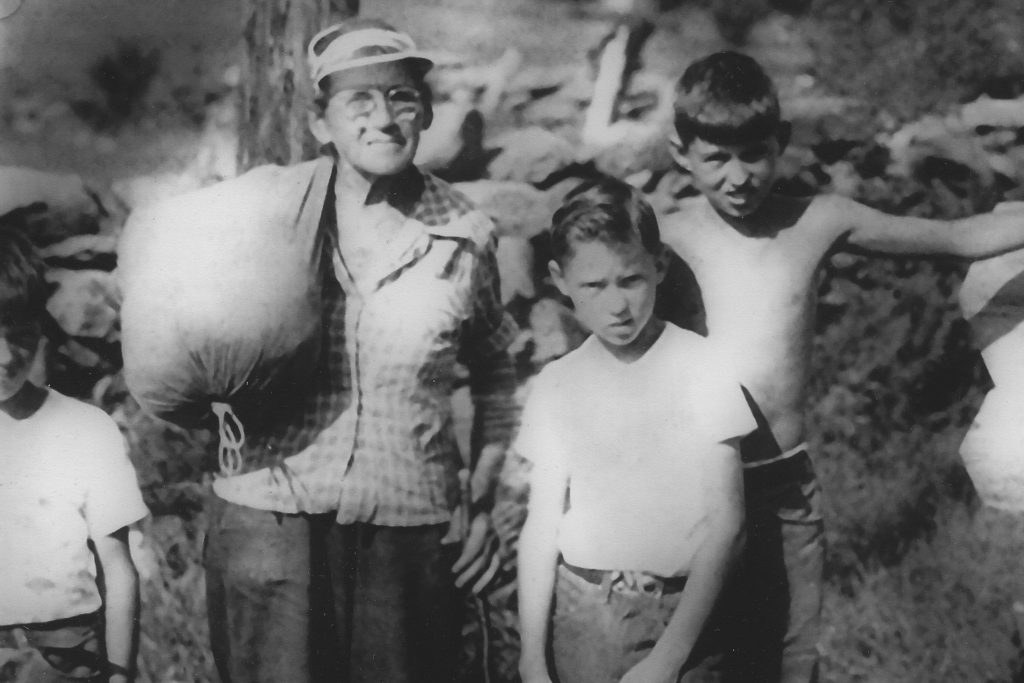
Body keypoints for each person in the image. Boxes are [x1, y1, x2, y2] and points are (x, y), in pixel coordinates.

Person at [662, 50, 1024, 683]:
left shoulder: (816, 220)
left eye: (754, 154)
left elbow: (958, 239)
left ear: (781, 143)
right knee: (702, 653)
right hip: (696, 480)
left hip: (785, 480)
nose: (739, 176)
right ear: (681, 152)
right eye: (717, 158)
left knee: (791, 652)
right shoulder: (669, 234)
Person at [203, 18, 518, 683]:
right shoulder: (273, 215)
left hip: (407, 523)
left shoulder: (465, 234)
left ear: (427, 111)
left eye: (402, 96)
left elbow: (495, 371)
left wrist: (482, 497)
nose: (384, 117)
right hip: (270, 510)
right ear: (322, 122)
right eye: (359, 100)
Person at [516, 177, 756, 683]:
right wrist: (532, 658)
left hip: (682, 615)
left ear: (660, 267)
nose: (617, 306)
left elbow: (728, 524)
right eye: (594, 286)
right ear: (560, 280)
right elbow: (541, 529)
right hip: (581, 617)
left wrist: (668, 660)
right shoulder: (558, 385)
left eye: (631, 280)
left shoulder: (701, 366)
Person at [0, 228, 148, 683]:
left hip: (66, 660)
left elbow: (118, 571)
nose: (6, 356)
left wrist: (120, 675)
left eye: (21, 335)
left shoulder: (85, 430)